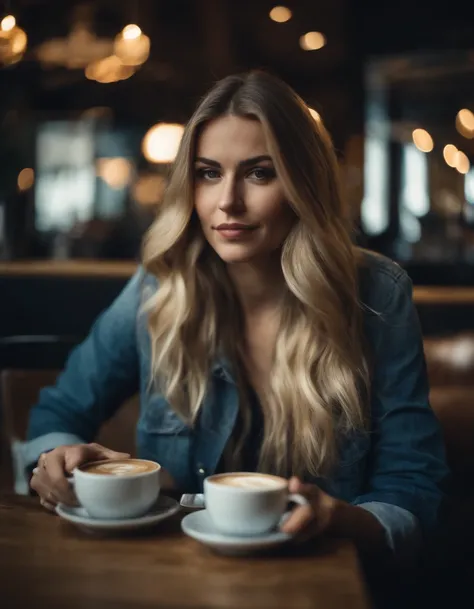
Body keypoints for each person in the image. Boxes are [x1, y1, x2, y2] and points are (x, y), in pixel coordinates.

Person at [27, 71, 447, 561]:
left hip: (314, 584)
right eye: (208, 173)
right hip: (172, 580)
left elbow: (413, 493)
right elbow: (57, 413)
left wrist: (336, 517)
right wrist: (55, 463)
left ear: (301, 184)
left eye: (259, 173)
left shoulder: (376, 294)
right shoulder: (161, 287)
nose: (227, 201)